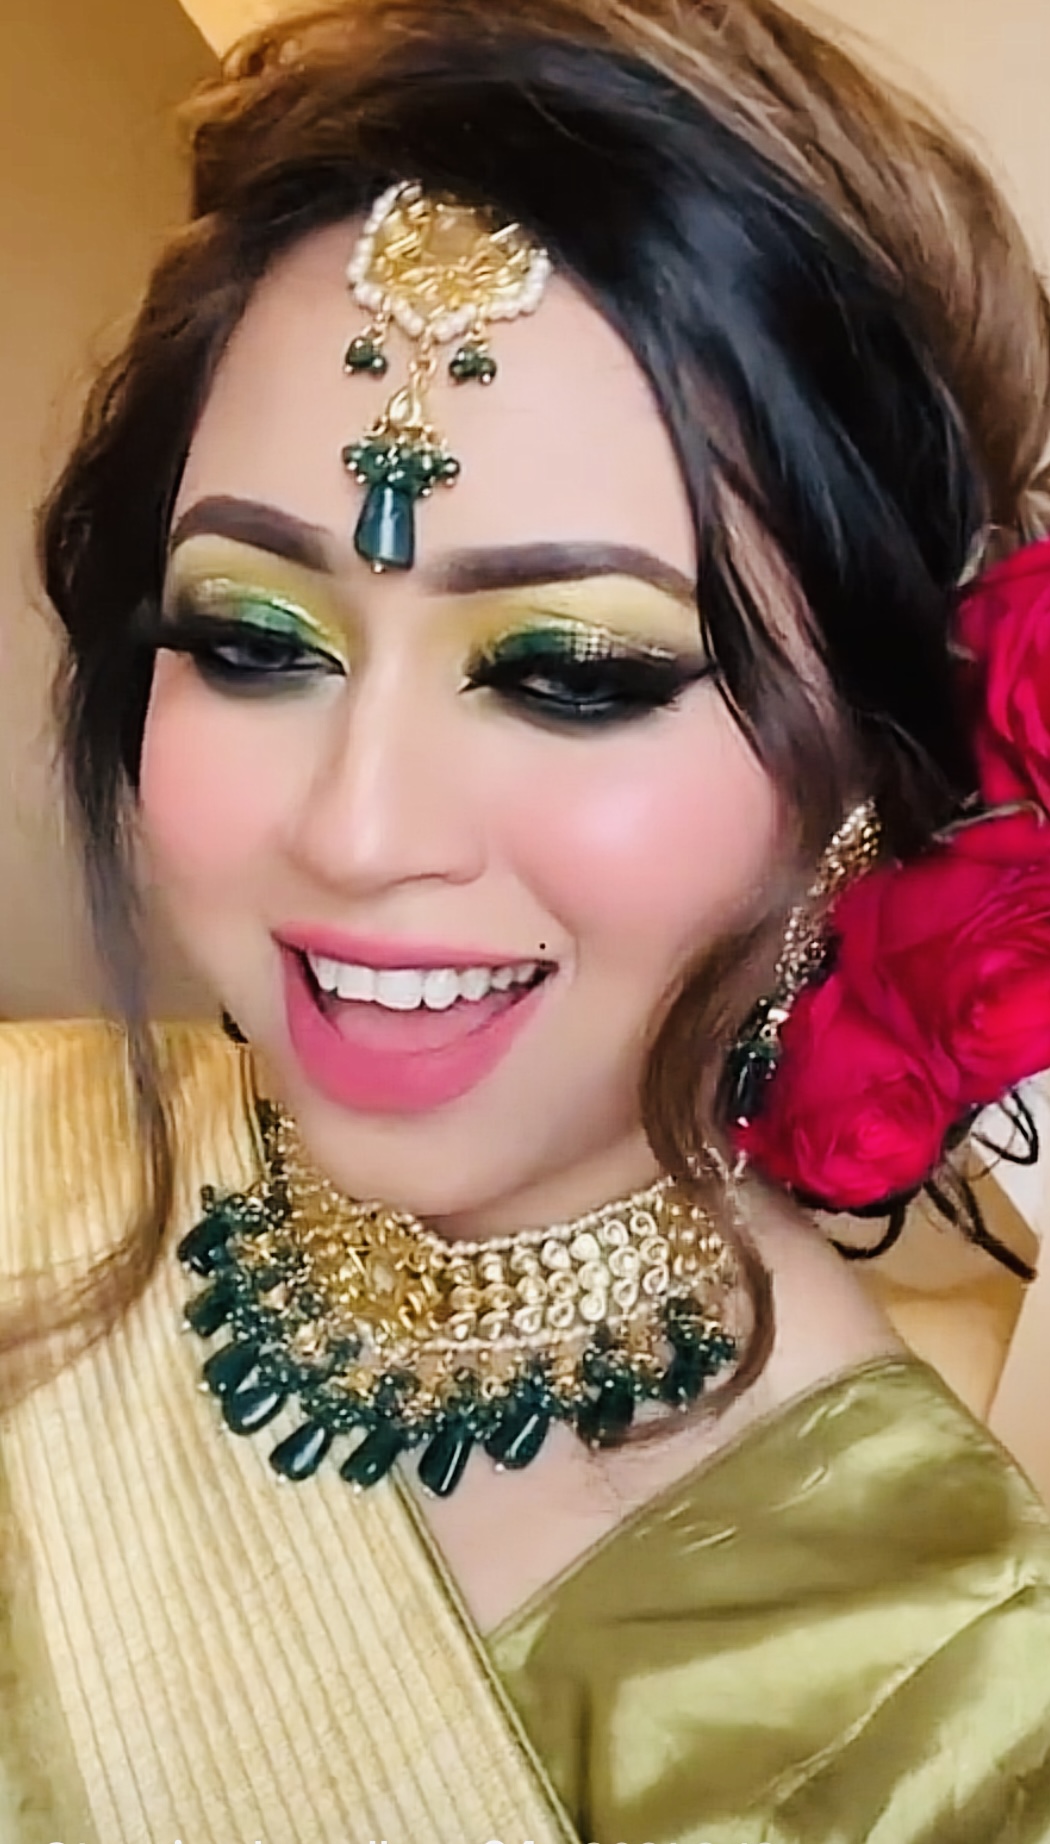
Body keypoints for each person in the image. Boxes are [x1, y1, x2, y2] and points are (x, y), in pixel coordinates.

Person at [3, 0, 1050, 1837]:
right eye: (249, 641)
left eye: (574, 670)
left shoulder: (936, 1695)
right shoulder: (26, 1142)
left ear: (870, 775)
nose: (357, 831)